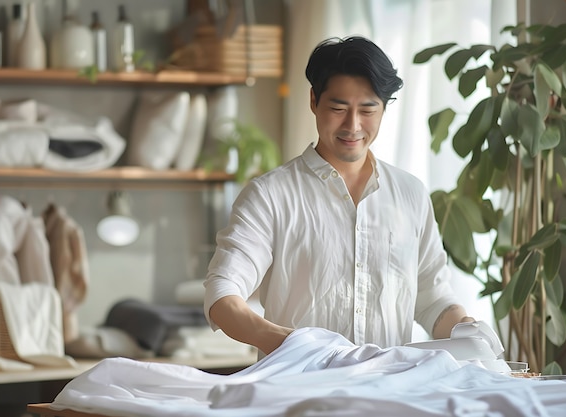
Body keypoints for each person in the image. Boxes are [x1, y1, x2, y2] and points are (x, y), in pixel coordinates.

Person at [203, 36, 474, 357]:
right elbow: (222, 294)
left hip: (388, 392)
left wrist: (468, 331)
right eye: (338, 108)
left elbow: (433, 298)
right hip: (297, 392)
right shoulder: (269, 195)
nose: (353, 125)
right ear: (314, 100)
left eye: (368, 109)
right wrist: (288, 344)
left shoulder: (410, 193)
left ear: (385, 108)